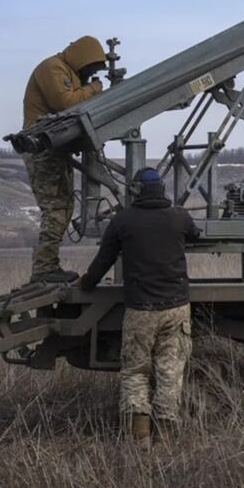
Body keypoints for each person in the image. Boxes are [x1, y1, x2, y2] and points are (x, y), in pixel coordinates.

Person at [79, 167, 201, 445]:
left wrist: (86, 284)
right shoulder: (179, 217)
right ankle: (166, 436)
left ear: (136, 191)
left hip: (140, 311)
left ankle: (140, 438)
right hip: (176, 308)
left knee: (135, 372)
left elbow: (103, 261)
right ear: (161, 188)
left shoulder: (123, 221)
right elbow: (196, 234)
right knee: (170, 371)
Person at [22, 36, 106, 283]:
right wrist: (94, 89)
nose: (89, 74)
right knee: (56, 208)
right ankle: (44, 269)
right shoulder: (53, 67)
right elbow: (65, 103)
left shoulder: (66, 71)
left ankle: (48, 266)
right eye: (89, 68)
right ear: (82, 59)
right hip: (42, 150)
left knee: (64, 206)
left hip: (54, 150)